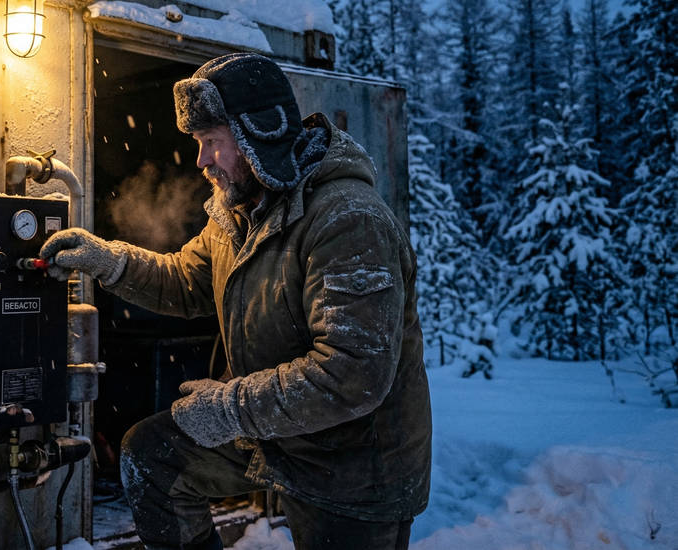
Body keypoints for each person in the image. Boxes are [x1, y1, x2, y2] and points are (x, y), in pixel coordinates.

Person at [39, 53, 431, 550]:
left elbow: (352, 374)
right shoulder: (239, 213)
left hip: (352, 463)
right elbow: (186, 280)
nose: (201, 161)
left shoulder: (347, 221)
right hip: (273, 431)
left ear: (256, 136)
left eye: (211, 143)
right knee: (152, 456)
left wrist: (230, 409)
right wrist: (110, 262)